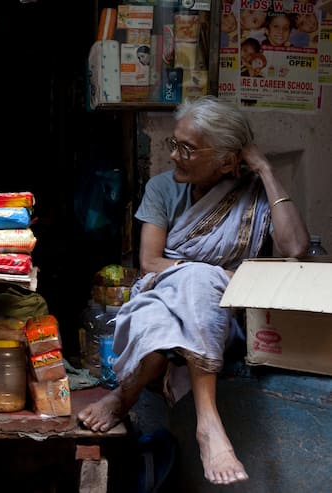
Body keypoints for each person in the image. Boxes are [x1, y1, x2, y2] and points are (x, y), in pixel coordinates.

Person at [77, 96, 309, 486]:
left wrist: (266, 170)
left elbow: (296, 248)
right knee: (187, 288)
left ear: (224, 159)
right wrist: (207, 275)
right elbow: (150, 262)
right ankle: (208, 423)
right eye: (174, 143)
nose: (174, 155)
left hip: (222, 318)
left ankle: (123, 397)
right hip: (159, 295)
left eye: (188, 148)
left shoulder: (252, 195)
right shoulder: (161, 189)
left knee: (192, 292)